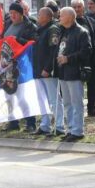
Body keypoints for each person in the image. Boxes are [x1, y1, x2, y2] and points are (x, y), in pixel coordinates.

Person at [56, 7, 91, 142]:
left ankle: (77, 130)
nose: (59, 18)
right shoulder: (64, 32)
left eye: (62, 16)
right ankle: (70, 129)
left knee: (76, 103)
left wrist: (68, 58)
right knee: (67, 103)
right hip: (63, 72)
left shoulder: (81, 32)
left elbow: (86, 51)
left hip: (75, 72)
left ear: (70, 17)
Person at [3, 2, 38, 132]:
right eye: (11, 13)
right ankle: (13, 122)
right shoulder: (8, 25)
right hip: (7, 65)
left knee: (23, 95)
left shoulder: (30, 26)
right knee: (8, 94)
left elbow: (33, 43)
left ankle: (30, 122)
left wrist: (18, 40)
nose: (12, 16)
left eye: (15, 13)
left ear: (21, 14)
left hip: (22, 66)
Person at [72, 0, 95, 117]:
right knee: (77, 87)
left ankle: (92, 109)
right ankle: (77, 110)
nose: (77, 9)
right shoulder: (69, 23)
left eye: (79, 7)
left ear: (83, 8)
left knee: (92, 85)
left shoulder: (91, 21)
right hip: (76, 60)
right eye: (74, 7)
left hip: (91, 59)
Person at [33, 7, 61, 136]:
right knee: (41, 99)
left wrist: (48, 68)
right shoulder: (40, 30)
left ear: (47, 16)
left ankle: (59, 126)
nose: (38, 16)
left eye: (40, 14)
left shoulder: (53, 30)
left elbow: (53, 51)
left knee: (54, 99)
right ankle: (45, 125)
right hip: (38, 70)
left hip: (47, 72)